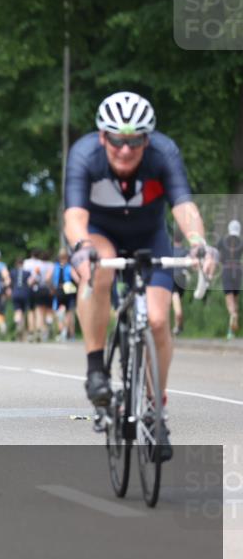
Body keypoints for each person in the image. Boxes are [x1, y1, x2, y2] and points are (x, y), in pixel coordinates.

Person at [64, 91, 216, 433]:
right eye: (117, 140)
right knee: (99, 267)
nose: (125, 149)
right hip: (99, 233)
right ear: (103, 136)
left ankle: (155, 402)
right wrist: (81, 246)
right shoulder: (85, 155)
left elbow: (184, 206)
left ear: (148, 140)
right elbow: (74, 216)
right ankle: (96, 371)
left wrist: (197, 242)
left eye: (135, 141)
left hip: (149, 237)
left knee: (160, 321)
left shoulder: (163, 154)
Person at [218, 219, 242, 339]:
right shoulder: (241, 241)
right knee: (235, 299)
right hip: (238, 271)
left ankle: (233, 315)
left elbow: (218, 255)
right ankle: (231, 330)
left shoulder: (222, 240)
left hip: (227, 270)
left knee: (229, 299)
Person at [52, 249, 77, 340]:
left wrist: (51, 287)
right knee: (69, 312)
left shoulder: (55, 267)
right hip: (68, 288)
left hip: (58, 289)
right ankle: (71, 333)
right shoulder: (69, 267)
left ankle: (62, 330)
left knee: (58, 312)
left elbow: (47, 277)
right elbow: (76, 278)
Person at [170, 232, 188, 336]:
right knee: (178, 302)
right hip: (182, 280)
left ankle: (177, 326)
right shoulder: (185, 251)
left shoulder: (169, 250)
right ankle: (178, 326)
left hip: (173, 279)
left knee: (176, 305)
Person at [8, 257, 30, 341]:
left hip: (15, 293)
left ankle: (17, 323)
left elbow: (9, 282)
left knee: (17, 310)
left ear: (16, 264)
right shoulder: (27, 273)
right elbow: (29, 282)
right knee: (24, 312)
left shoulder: (13, 272)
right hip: (24, 293)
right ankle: (22, 328)